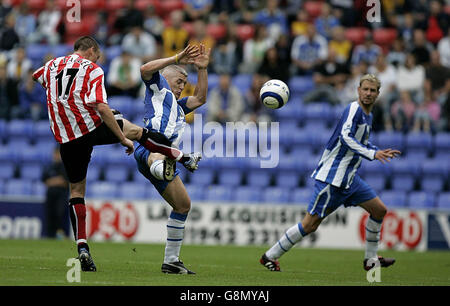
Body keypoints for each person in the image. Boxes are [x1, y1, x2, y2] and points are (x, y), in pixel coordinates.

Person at [32, 36, 201, 272]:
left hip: (68, 137)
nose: (98, 59)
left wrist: (62, 99)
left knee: (77, 192)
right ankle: (179, 157)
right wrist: (122, 139)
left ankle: (82, 247)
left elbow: (35, 76)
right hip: (90, 125)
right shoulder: (93, 69)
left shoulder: (51, 66)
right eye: (98, 55)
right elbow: (101, 107)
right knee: (136, 131)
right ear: (91, 50)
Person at [260, 74, 401, 272]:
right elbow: (345, 136)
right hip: (332, 178)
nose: (368, 93)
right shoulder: (354, 109)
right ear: (358, 90)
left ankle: (370, 260)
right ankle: (269, 256)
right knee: (309, 225)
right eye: (365, 89)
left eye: (373, 90)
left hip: (350, 179)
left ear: (378, 94)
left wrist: (376, 149)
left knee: (379, 210)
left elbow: (359, 140)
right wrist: (372, 153)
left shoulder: (368, 115)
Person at [134, 43, 210, 274]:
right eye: (179, 82)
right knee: (160, 147)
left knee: (183, 205)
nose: (181, 88)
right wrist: (176, 58)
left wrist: (203, 69)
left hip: (167, 155)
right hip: (151, 147)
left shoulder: (178, 107)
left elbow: (200, 98)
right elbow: (145, 68)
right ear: (166, 78)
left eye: (184, 85)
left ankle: (171, 261)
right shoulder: (158, 88)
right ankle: (159, 165)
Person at [42, 146, 69, 239]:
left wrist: (51, 181)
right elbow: (44, 180)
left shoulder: (65, 166)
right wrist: (57, 181)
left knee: (60, 214)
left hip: (61, 195)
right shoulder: (49, 166)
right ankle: (50, 235)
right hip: (50, 195)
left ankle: (60, 234)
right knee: (50, 214)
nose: (56, 156)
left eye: (58, 154)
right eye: (55, 154)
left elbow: (65, 181)